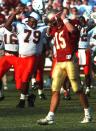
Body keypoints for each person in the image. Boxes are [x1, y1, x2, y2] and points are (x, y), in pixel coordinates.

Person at [37, 10, 92, 125]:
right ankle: (50, 116)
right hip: (59, 62)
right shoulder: (55, 28)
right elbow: (47, 35)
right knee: (55, 89)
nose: (52, 23)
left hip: (70, 61)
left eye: (53, 21)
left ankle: (88, 113)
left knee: (77, 89)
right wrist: (51, 23)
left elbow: (73, 30)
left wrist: (64, 19)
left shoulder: (69, 24)